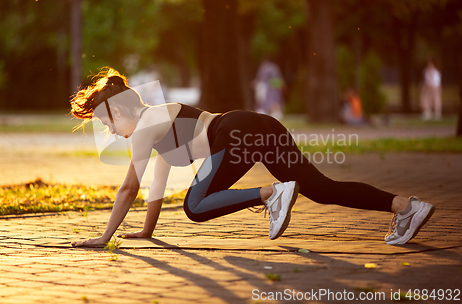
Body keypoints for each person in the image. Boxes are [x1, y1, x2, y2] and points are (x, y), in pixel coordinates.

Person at [70, 67, 435, 247]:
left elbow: (128, 188)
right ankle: (406, 207)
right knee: (322, 189)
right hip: (255, 125)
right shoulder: (157, 122)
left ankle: (271, 194)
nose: (111, 132)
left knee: (195, 206)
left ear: (118, 112)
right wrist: (146, 232)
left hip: (234, 132)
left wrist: (105, 237)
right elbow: (155, 185)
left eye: (107, 123)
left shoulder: (146, 125)